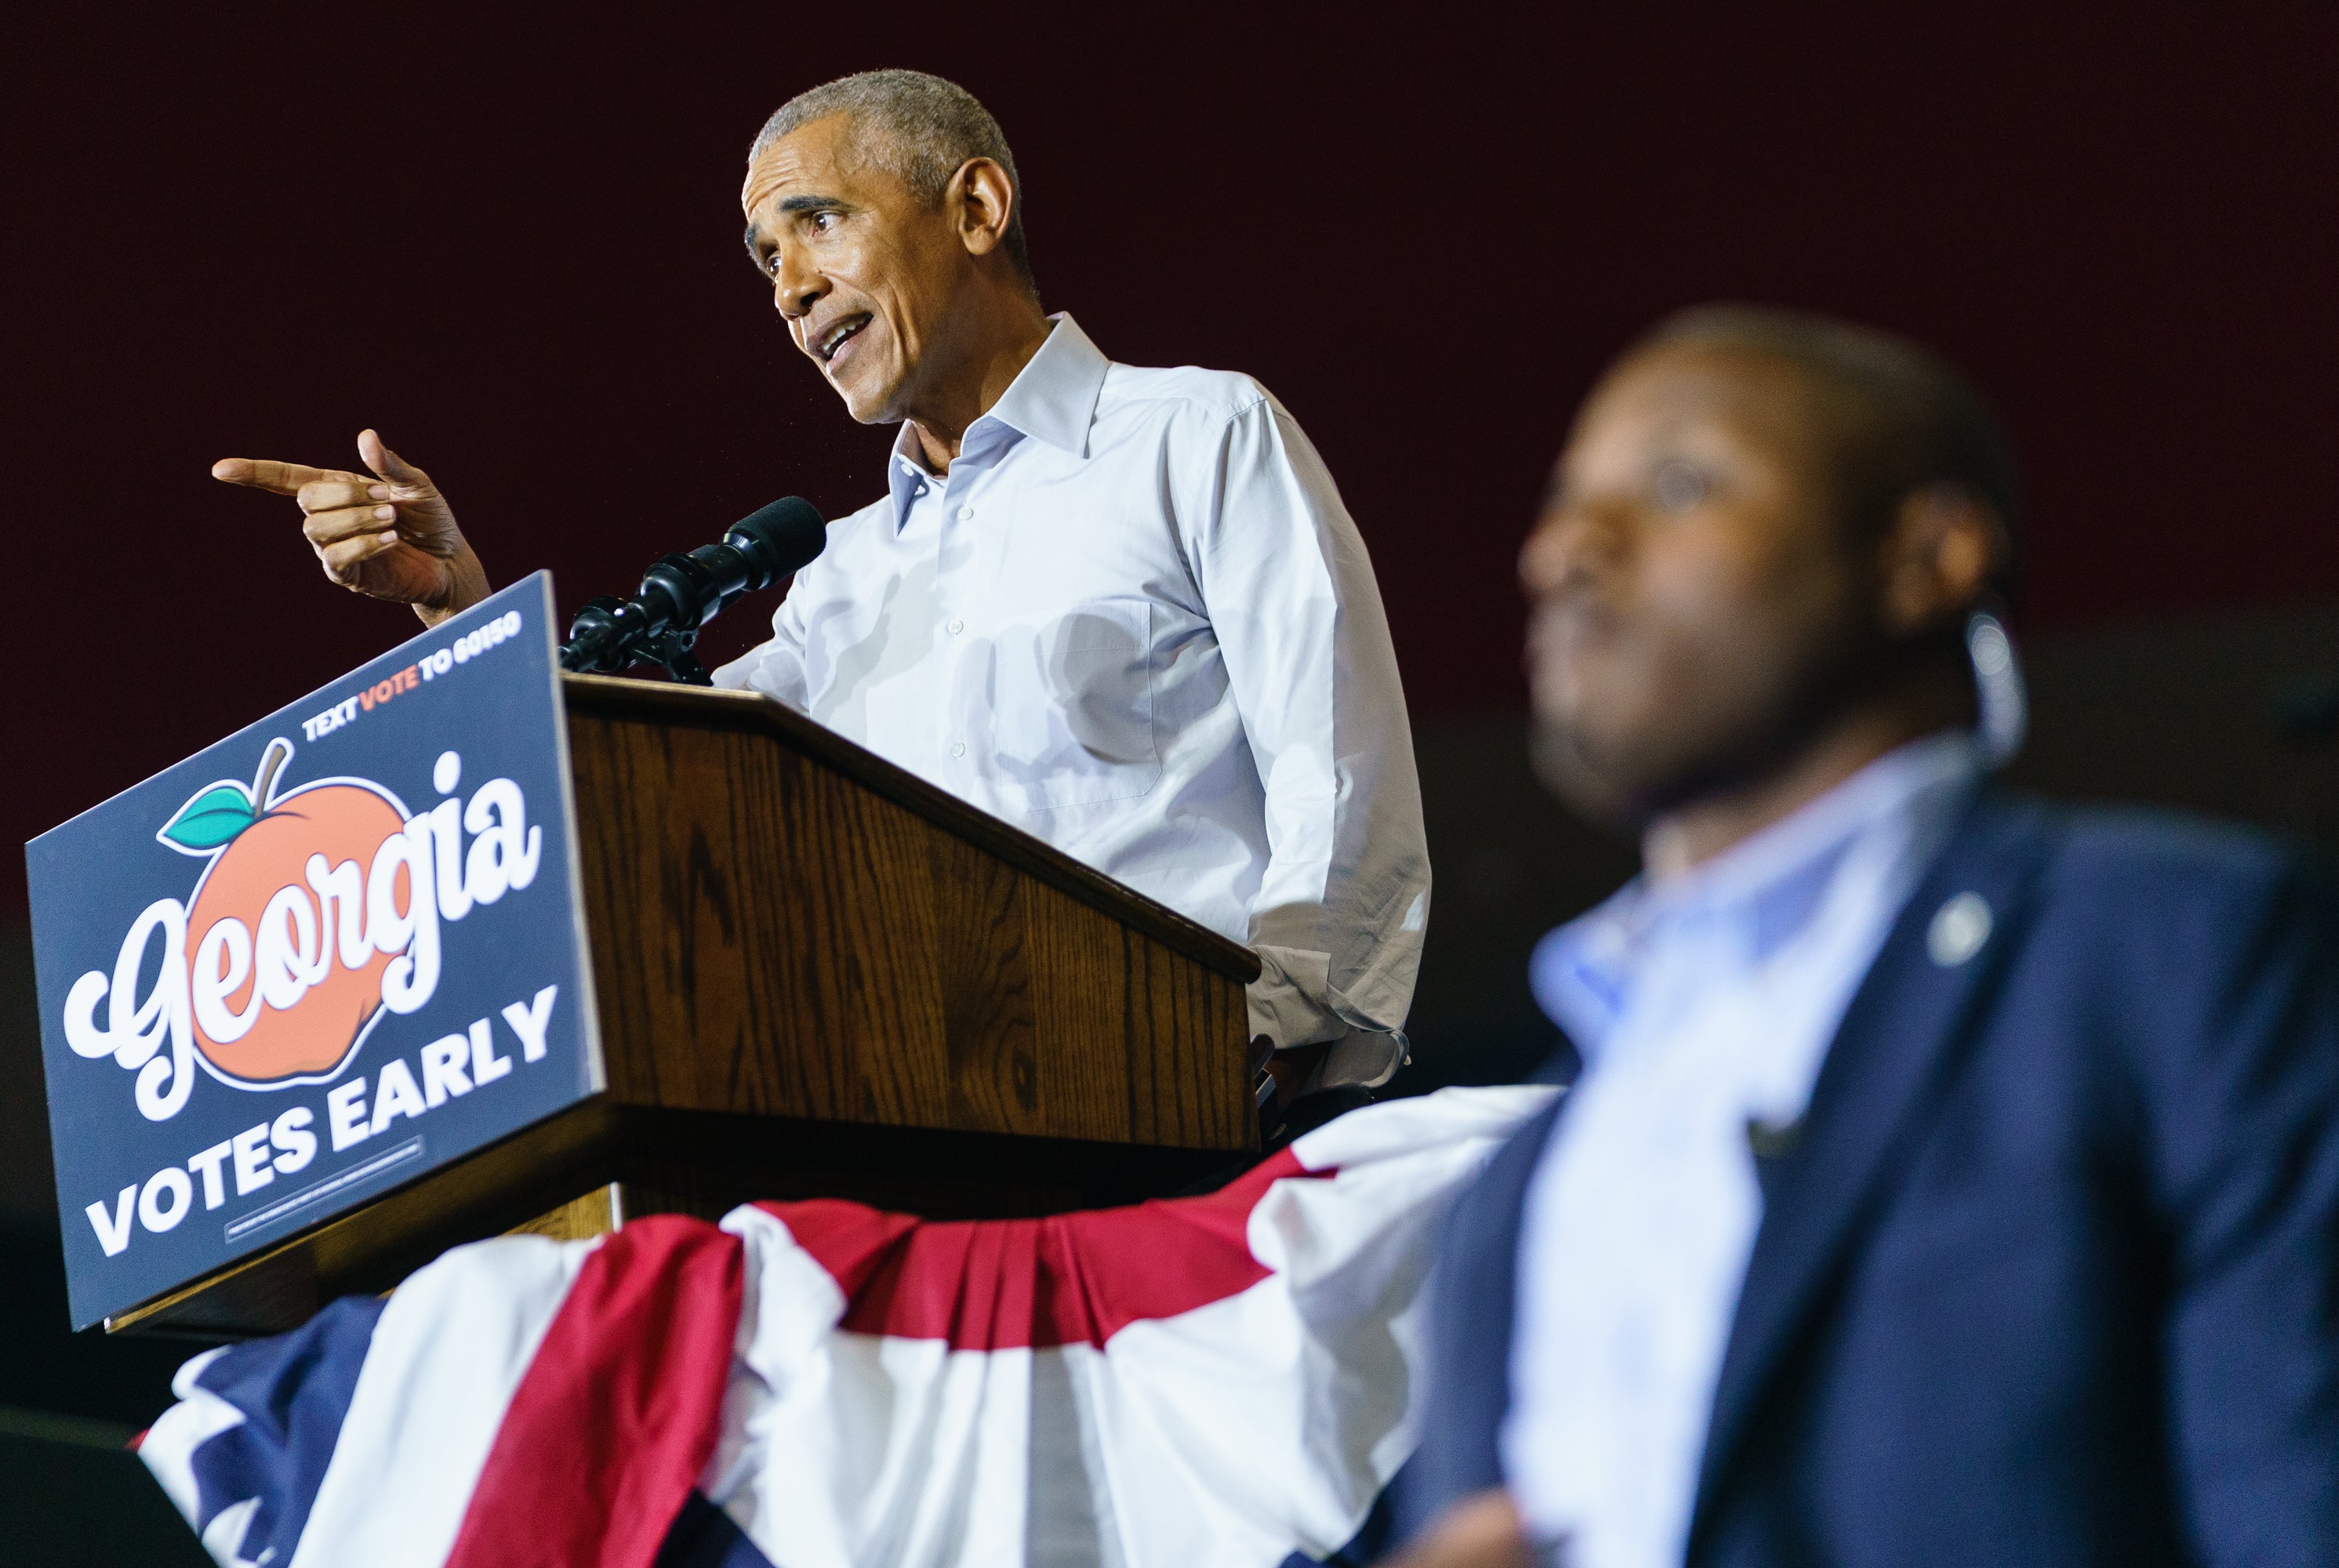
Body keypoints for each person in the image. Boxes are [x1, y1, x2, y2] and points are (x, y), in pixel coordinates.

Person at [209, 71, 1428, 1109]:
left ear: (977, 207)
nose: (787, 288)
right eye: (766, 261)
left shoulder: (1194, 435)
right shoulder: (835, 577)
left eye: (818, 224)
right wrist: (456, 607)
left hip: (1195, 1116)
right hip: (918, 1140)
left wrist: (1269, 1056)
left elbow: (1340, 773)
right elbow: (637, 780)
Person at [1392, 306, 2339, 1566]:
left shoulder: (2170, 954)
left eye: (1678, 482)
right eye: (1562, 504)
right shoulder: (1510, 1194)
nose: (1564, 550)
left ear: (1928, 555)